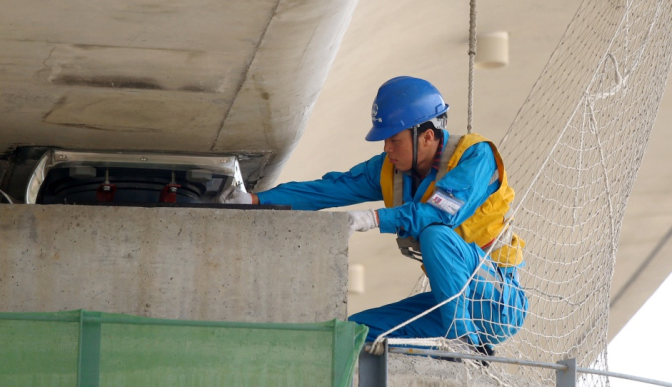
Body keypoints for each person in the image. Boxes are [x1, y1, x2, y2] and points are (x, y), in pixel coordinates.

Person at [222, 76, 527, 356]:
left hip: (496, 302)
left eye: (395, 139)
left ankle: (465, 346)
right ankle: (444, 347)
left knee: (435, 234)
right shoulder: (389, 170)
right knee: (355, 332)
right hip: (448, 305)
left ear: (427, 136)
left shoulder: (476, 156)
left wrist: (374, 219)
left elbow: (439, 213)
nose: (387, 148)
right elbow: (329, 189)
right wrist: (256, 199)